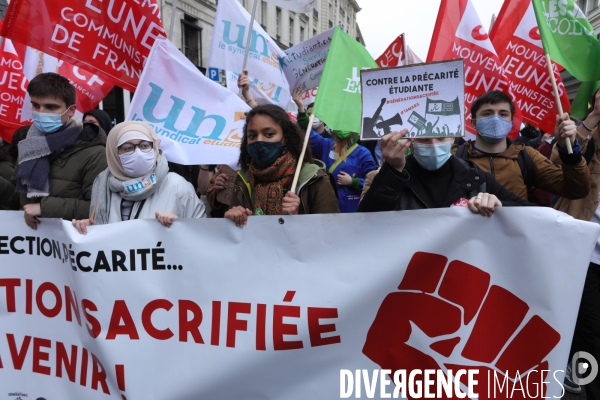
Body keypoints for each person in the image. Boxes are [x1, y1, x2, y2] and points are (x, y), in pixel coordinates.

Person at [206, 104, 339, 227]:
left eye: (269, 134)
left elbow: (330, 234)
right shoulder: (241, 179)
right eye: (252, 135)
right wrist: (234, 217)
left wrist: (299, 219)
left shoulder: (313, 179)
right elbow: (235, 239)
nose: (259, 140)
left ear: (285, 137)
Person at [453, 90, 590, 203]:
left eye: (503, 114)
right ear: (473, 123)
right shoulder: (454, 156)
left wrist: (570, 150)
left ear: (511, 122)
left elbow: (577, 190)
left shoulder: (527, 156)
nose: (496, 119)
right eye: (487, 113)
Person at [72, 121, 205, 234]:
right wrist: (88, 229)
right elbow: (99, 234)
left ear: (154, 147)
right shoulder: (102, 184)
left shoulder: (177, 186)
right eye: (128, 148)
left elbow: (202, 232)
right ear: (114, 154)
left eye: (144, 145)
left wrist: (180, 225)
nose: (138, 153)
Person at [359, 130, 533, 214]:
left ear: (453, 139)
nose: (433, 144)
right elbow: (366, 221)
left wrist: (500, 206)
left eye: (441, 137)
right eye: (424, 138)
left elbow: (531, 212)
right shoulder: (389, 176)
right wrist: (394, 171)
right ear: (411, 141)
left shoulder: (476, 178)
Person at [15, 72, 107, 229]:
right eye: (36, 105)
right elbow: (21, 197)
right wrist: (26, 209)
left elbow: (100, 209)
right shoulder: (29, 146)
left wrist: (43, 207)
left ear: (71, 111)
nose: (41, 112)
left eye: (51, 107)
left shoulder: (94, 153)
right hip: (39, 244)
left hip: (74, 248)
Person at [553, 88, 600, 397]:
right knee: (591, 333)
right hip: (586, 254)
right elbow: (560, 160)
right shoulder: (587, 130)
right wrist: (594, 118)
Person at [304, 122, 376, 213]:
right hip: (326, 204)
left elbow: (373, 183)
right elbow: (309, 135)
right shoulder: (326, 145)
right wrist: (303, 116)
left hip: (351, 208)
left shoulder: (364, 153)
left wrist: (353, 181)